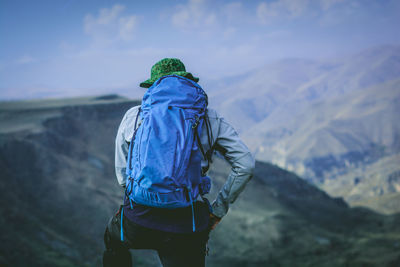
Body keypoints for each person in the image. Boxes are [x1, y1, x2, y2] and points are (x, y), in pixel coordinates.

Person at [103, 58, 255, 267]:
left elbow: (122, 174)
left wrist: (144, 193)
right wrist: (217, 210)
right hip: (187, 224)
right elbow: (245, 164)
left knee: (113, 239)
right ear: (187, 83)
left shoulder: (134, 115)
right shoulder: (210, 119)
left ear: (153, 86)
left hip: (138, 219)